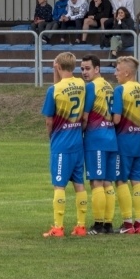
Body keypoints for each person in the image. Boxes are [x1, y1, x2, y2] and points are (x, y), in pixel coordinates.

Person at [40, 52, 87, 237]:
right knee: (79, 184)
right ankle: (81, 226)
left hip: (61, 142)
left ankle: (58, 228)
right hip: (77, 141)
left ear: (58, 66)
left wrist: (51, 137)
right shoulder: (82, 85)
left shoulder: (54, 90)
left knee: (59, 185)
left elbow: (49, 121)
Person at [111, 56, 140, 234]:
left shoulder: (120, 90)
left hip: (124, 141)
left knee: (121, 180)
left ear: (127, 72)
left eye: (117, 70)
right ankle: (139, 222)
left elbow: (116, 119)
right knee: (137, 180)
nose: (115, 74)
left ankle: (127, 223)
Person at [80, 55, 117, 235]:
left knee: (96, 181)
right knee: (108, 183)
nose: (85, 72)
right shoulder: (109, 86)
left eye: (88, 68)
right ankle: (108, 223)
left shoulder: (92, 87)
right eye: (82, 69)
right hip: (111, 137)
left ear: (97, 69)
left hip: (96, 139)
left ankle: (98, 224)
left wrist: (81, 132)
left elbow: (85, 116)